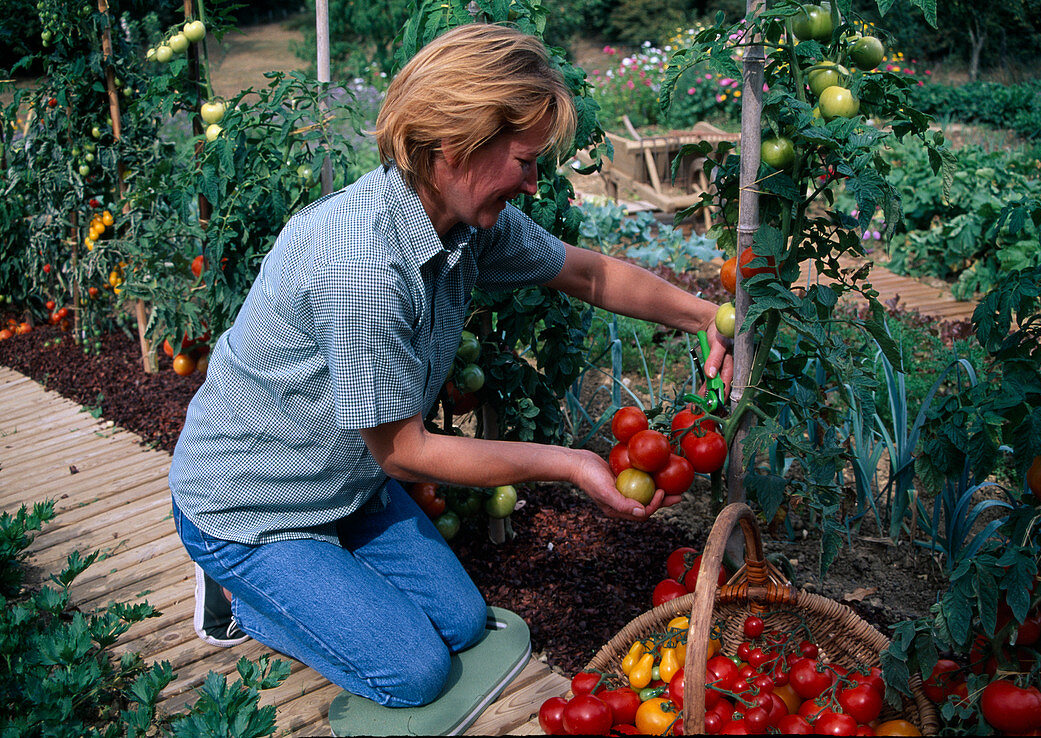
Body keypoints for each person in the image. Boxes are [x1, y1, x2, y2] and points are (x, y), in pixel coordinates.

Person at [168, 22, 733, 708]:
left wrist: (706, 318)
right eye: (524, 161)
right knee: (414, 674)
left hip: (349, 486)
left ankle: (317, 575)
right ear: (454, 142)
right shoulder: (362, 267)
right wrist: (573, 463)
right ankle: (237, 589)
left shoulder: (463, 224)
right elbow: (406, 451)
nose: (531, 184)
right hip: (251, 505)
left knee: (463, 625)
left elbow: (588, 275)